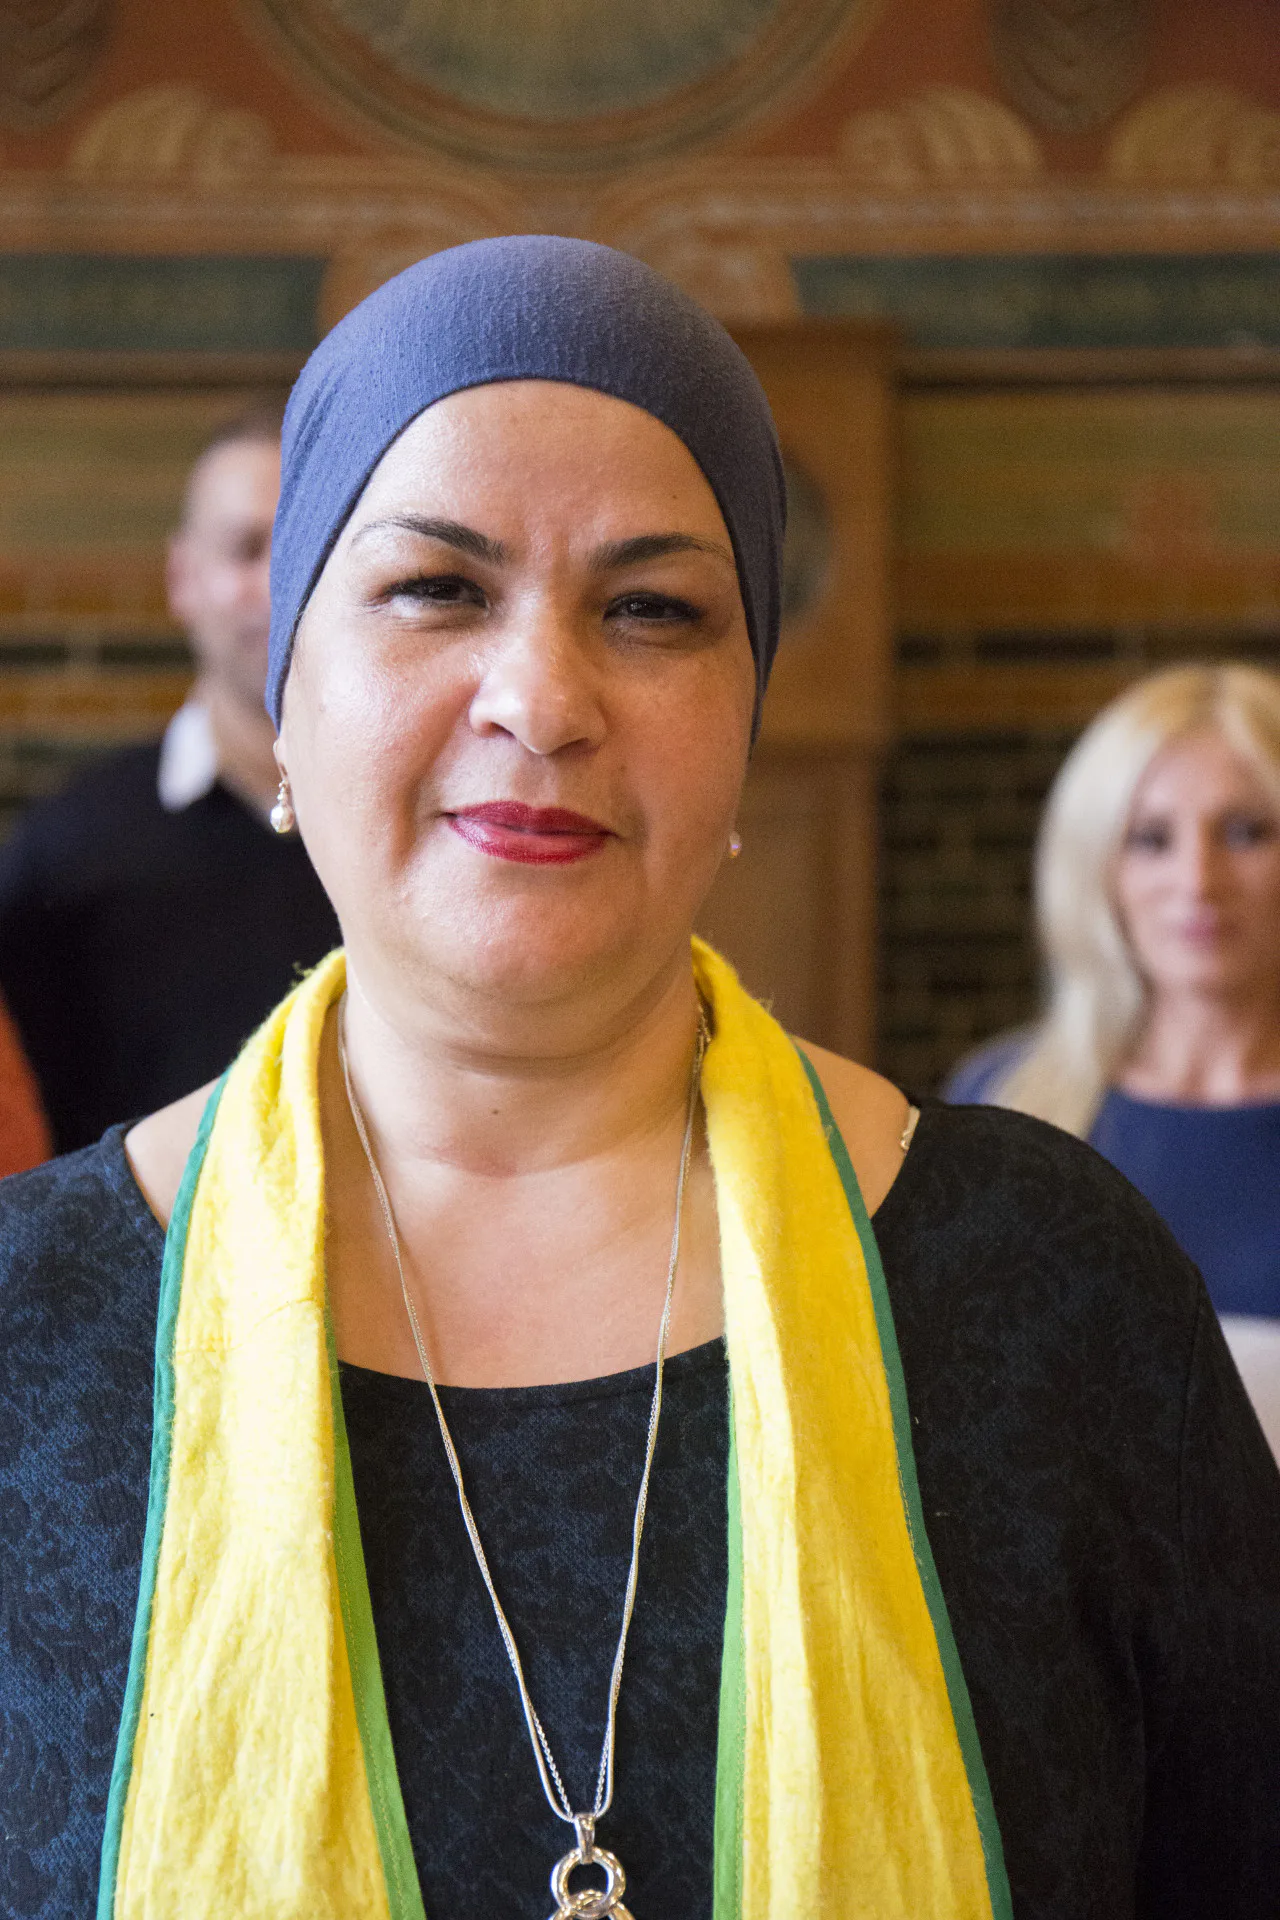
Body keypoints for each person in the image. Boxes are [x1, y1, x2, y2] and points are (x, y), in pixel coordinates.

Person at [1, 241, 1278, 1920]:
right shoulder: (32, 1332)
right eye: (435, 589)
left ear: (744, 723)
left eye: (653, 609)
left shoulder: (1055, 1286)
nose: (542, 700)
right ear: (285, 695)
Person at [946, 664, 1280, 1450]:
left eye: (1244, 832)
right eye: (1151, 839)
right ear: (1098, 866)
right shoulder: (1004, 1100)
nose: (1198, 880)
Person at [0, 406, 340, 1153]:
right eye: (246, 549)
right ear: (183, 578)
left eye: (306, 546)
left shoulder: (426, 831)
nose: (279, 586)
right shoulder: (64, 854)